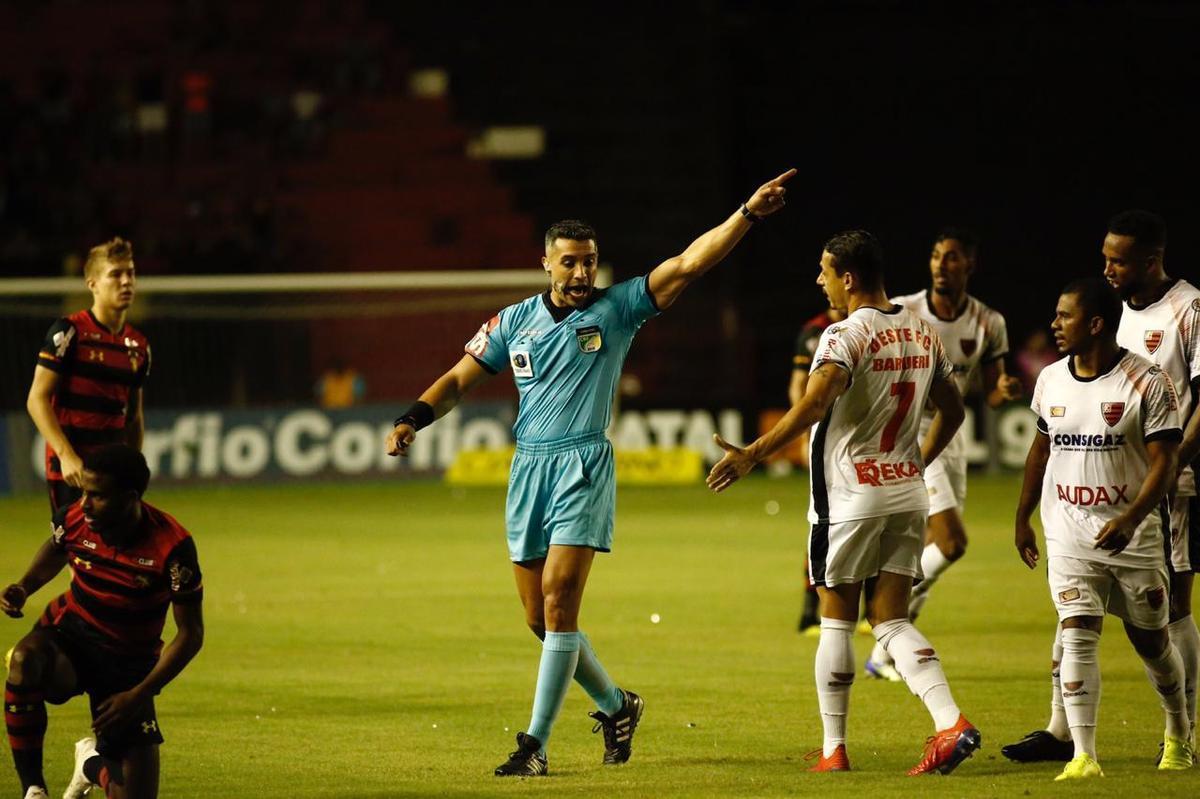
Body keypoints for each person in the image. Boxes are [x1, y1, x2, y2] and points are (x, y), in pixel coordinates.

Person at [385, 169, 796, 776]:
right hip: (528, 470)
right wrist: (413, 418)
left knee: (558, 605)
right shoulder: (512, 322)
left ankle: (535, 745)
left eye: (591, 263)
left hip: (582, 465)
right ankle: (616, 704)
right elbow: (456, 381)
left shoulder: (618, 307)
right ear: (547, 263)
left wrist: (748, 213)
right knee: (538, 620)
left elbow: (686, 265)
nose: (582, 274)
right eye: (571, 263)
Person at [706, 230, 980, 775]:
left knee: (836, 621)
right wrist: (918, 461)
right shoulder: (924, 333)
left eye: (824, 270)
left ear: (848, 278)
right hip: (905, 494)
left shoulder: (843, 336)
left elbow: (814, 403)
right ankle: (950, 723)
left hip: (849, 498)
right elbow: (954, 410)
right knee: (892, 620)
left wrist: (753, 454)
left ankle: (834, 749)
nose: (819, 280)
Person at [1003, 211, 1200, 764]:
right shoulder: (1063, 365)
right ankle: (1071, 742)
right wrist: (1024, 515)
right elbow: (1042, 445)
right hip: (1076, 514)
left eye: (1118, 259)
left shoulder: (1184, 315)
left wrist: (1158, 486)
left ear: (1151, 261)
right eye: (1105, 257)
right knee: (1076, 619)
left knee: (1163, 625)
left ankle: (1181, 731)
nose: (1108, 267)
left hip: (1156, 496)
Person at [2, 445, 204, 799]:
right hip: (72, 637)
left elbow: (190, 634)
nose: (84, 504)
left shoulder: (172, 546)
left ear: (129, 498)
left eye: (97, 496)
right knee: (24, 659)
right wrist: (24, 586)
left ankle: (88, 764)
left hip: (128, 665)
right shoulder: (75, 519)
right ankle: (34, 789)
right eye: (83, 492)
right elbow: (56, 547)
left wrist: (139, 693)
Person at [864, 228, 1021, 680]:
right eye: (935, 256)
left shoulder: (989, 323)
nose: (940, 265)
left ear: (970, 264)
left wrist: (1005, 392)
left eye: (951, 258)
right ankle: (884, 621)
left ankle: (889, 645)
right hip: (908, 432)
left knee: (931, 546)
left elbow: (991, 394)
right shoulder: (904, 310)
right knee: (951, 542)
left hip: (951, 435)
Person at [26, 238, 150, 515]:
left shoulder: (138, 346)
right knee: (73, 546)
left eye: (130, 273)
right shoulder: (69, 332)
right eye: (115, 274)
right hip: (73, 470)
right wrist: (66, 456)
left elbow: (134, 416)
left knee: (110, 552)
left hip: (113, 472)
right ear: (92, 283)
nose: (126, 281)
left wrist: (135, 464)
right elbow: (36, 399)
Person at [790, 304, 848, 635]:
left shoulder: (866, 323)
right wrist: (802, 431)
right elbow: (798, 385)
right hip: (825, 439)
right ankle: (810, 610)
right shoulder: (815, 331)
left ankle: (871, 609)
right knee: (824, 520)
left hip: (858, 441)